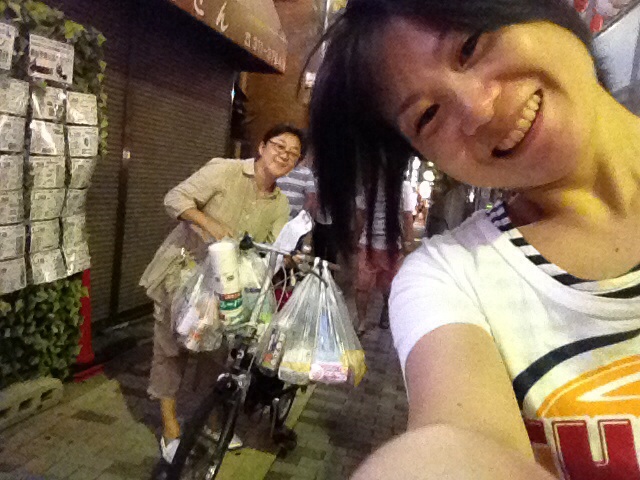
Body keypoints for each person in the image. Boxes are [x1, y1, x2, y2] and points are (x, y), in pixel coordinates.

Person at [308, 0, 640, 478]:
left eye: (470, 47)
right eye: (427, 116)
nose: (479, 109)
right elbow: (458, 442)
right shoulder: (452, 277)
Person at [140, 123, 305, 463]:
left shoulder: (280, 204)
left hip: (225, 288)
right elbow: (175, 198)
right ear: (262, 146)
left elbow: (271, 249)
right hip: (181, 273)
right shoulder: (224, 170)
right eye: (279, 146)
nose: (284, 156)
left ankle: (208, 420)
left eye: (293, 154)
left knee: (215, 353)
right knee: (171, 350)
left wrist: (289, 256)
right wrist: (208, 223)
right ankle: (170, 427)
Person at [354, 180, 414, 335]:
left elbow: (407, 216)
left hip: (392, 246)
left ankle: (386, 309)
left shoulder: (403, 186)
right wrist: (357, 237)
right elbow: (361, 213)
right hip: (368, 244)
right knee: (362, 286)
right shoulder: (368, 184)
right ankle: (361, 322)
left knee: (388, 286)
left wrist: (408, 242)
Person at [276, 154, 317, 219]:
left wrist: (301, 214)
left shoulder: (306, 173)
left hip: (295, 218)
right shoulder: (275, 170)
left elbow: (311, 197)